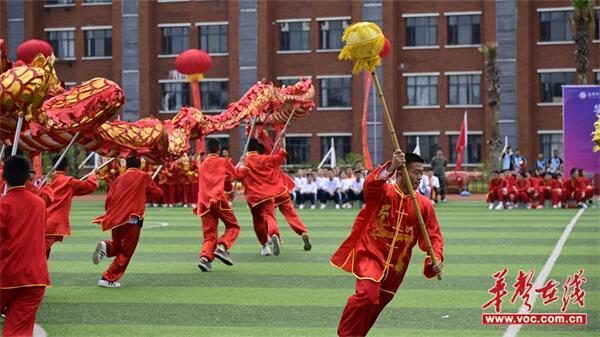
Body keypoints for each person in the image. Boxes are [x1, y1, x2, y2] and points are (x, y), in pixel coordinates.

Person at [331, 150, 443, 337]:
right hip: (371, 254)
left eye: (421, 173)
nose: (419, 177)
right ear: (401, 173)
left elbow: (433, 236)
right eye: (416, 172)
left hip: (397, 267)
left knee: (375, 307)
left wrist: (435, 258)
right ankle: (344, 334)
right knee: (367, 296)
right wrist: (391, 166)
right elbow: (370, 185)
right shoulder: (384, 192)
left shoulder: (424, 205)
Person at [91, 156, 163, 288]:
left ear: (127, 165)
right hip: (132, 219)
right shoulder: (143, 176)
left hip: (117, 219)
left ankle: (106, 247)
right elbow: (158, 194)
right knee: (126, 251)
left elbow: (110, 198)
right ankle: (107, 277)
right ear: (139, 165)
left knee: (117, 246)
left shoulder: (120, 177)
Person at [0, 156, 50, 337]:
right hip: (35, 276)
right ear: (28, 176)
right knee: (18, 332)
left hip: (6, 274)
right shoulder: (39, 203)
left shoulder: (3, 205)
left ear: (4, 176)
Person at [195, 139, 248, 272]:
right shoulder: (224, 161)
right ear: (219, 149)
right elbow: (238, 175)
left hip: (203, 202)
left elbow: (221, 179)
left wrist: (229, 190)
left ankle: (205, 258)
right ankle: (222, 247)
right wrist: (242, 165)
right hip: (217, 199)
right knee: (233, 226)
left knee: (209, 234)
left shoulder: (201, 164)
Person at [45, 156, 99, 259]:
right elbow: (90, 186)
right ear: (66, 168)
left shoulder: (46, 180)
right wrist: (93, 174)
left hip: (42, 221)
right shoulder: (68, 182)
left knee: (42, 254)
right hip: (53, 223)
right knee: (39, 256)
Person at [242, 138, 288, 256]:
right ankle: (273, 234)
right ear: (257, 148)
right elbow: (281, 157)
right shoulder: (264, 159)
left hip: (253, 197)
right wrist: (282, 139)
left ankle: (264, 246)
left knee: (258, 222)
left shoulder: (244, 161)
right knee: (270, 217)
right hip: (267, 194)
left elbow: (237, 176)